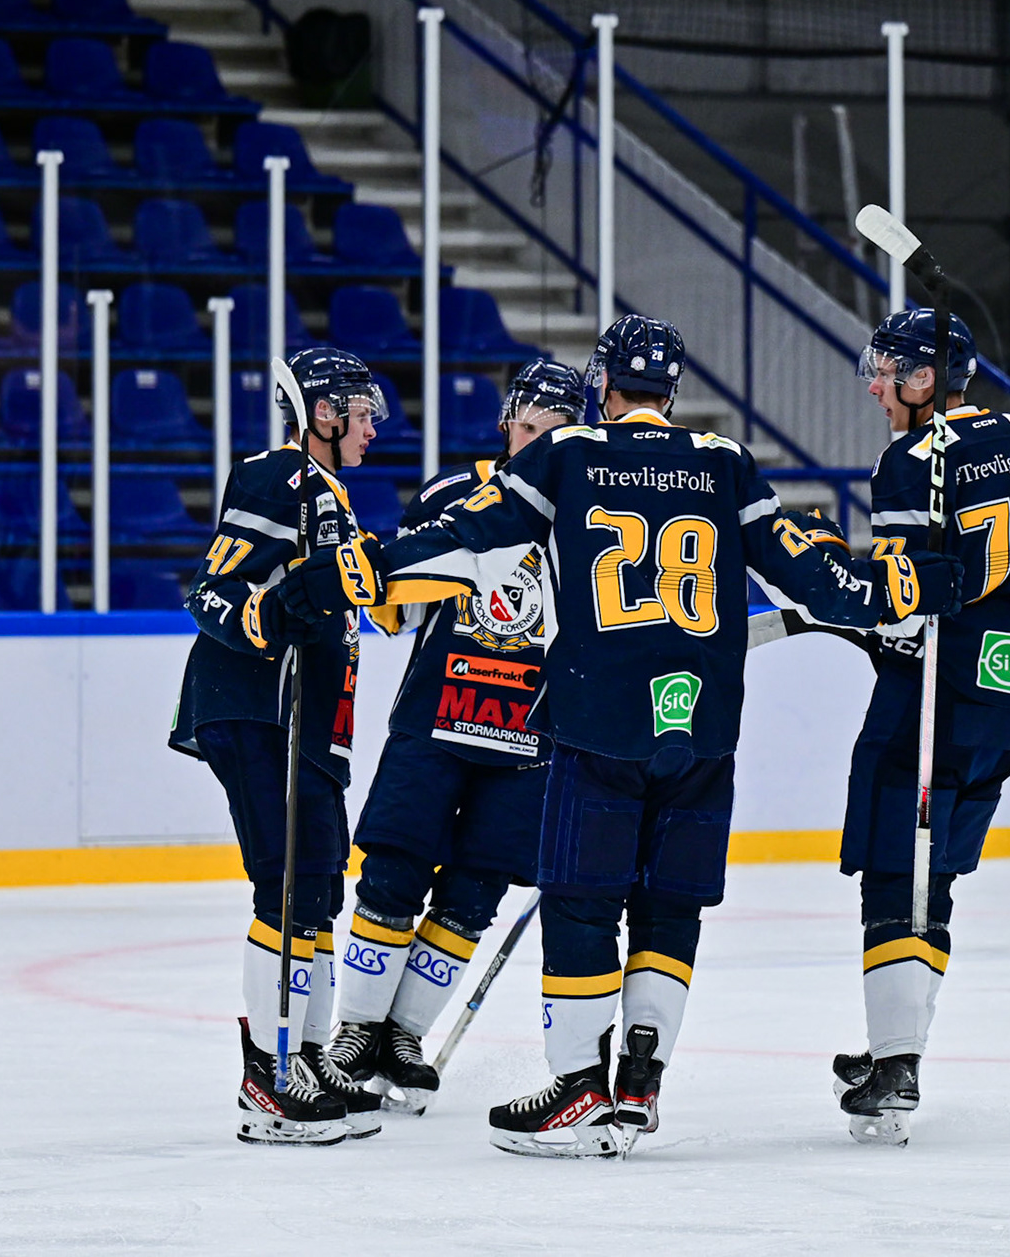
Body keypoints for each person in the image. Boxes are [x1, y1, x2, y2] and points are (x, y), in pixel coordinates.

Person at [284, 314, 962, 1158]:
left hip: (598, 723)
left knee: (583, 901)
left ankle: (579, 1092)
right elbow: (817, 581)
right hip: (702, 732)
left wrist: (350, 570)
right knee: (670, 906)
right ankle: (639, 1088)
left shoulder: (568, 455)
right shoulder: (725, 462)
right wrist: (915, 587)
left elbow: (464, 535)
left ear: (602, 384)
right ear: (672, 391)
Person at [828, 309, 1010, 1146]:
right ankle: (894, 1051)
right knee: (932, 875)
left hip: (927, 698)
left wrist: (846, 606)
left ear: (925, 379)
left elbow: (906, 609)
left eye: (887, 371)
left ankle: (897, 1065)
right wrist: (998, 667)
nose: (875, 386)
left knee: (894, 872)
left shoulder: (910, 461)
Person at [316, 360, 586, 1115]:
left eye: (554, 434)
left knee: (473, 894)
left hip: (529, 739)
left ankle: (402, 1035)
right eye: (528, 429)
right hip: (435, 720)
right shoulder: (452, 494)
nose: (537, 446)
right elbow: (395, 611)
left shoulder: (588, 514)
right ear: (506, 425)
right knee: (392, 875)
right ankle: (357, 1030)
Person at [167, 346, 386, 1146]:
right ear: (322, 412)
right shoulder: (279, 477)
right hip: (260, 709)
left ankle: (310, 1054)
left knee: (319, 887)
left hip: (308, 725)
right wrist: (267, 614)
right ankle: (269, 1072)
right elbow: (214, 592)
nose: (370, 428)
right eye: (359, 413)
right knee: (286, 887)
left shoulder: (332, 495)